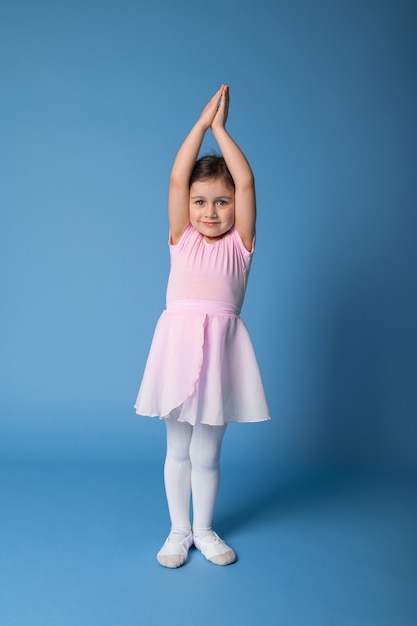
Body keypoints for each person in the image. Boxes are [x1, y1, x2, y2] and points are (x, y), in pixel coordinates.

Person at [134, 84, 270, 568]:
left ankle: (206, 529)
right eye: (200, 202)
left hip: (220, 354)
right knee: (178, 447)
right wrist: (198, 125)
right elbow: (175, 179)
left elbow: (248, 181)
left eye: (221, 202)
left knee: (208, 451)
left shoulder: (241, 245)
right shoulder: (181, 239)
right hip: (177, 347)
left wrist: (221, 130)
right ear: (187, 207)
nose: (210, 212)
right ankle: (178, 531)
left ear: (236, 207)